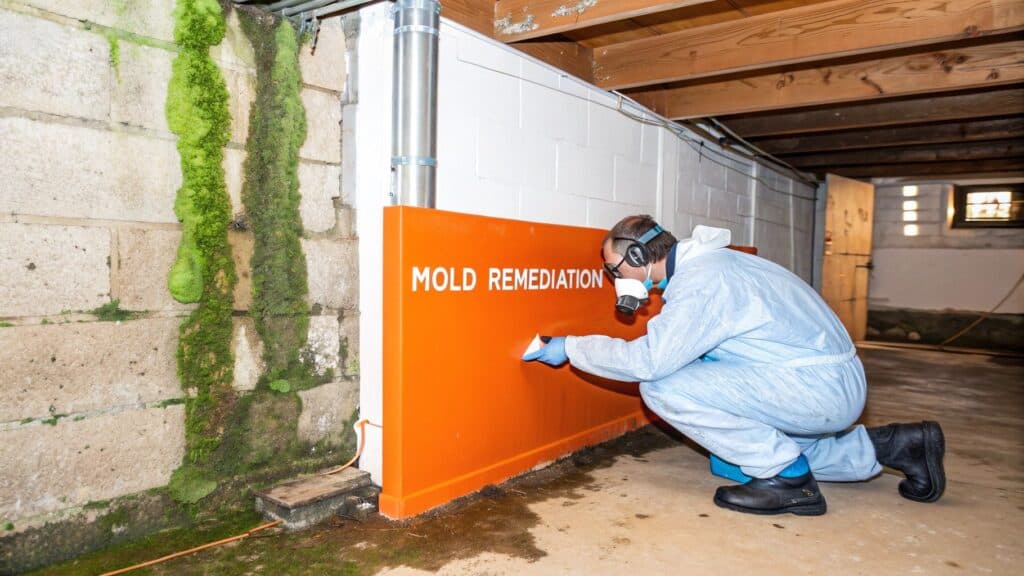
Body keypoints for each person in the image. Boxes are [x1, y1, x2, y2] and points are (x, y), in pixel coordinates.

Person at [524, 214, 945, 516]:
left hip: (816, 388)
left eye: (613, 269)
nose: (614, 279)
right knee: (760, 444)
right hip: (823, 381)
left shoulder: (704, 282)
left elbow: (650, 361)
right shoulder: (719, 265)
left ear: (638, 253)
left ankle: (787, 481)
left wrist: (573, 347)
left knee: (661, 387)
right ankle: (898, 445)